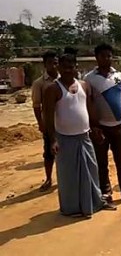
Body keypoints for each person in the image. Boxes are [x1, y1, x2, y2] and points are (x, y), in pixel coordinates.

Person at [43, 54, 116, 217]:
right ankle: (71, 208)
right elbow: (48, 116)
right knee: (69, 176)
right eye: (65, 65)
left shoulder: (84, 85)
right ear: (59, 68)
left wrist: (96, 128)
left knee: (90, 171)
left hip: (85, 137)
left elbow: (89, 109)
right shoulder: (52, 89)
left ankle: (94, 203)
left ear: (76, 66)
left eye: (72, 65)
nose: (69, 68)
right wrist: (53, 140)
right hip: (65, 139)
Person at [84, 43, 121, 205]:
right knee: (101, 162)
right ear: (97, 57)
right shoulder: (89, 79)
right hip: (100, 127)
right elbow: (88, 103)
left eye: (109, 56)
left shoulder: (120, 76)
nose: (107, 59)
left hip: (119, 125)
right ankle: (106, 193)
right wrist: (93, 126)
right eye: (103, 56)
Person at [31, 51, 59, 192]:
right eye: (50, 63)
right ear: (45, 64)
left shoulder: (65, 79)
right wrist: (41, 123)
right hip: (50, 124)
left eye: (55, 62)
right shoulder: (39, 83)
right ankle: (48, 178)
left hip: (65, 123)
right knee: (49, 153)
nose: (54, 66)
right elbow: (37, 106)